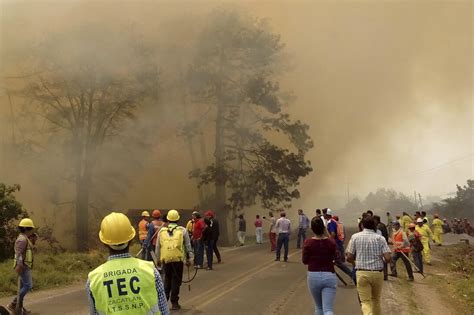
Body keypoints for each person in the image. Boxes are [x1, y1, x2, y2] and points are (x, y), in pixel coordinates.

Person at [86, 212, 169, 315]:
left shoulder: (93, 279)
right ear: (130, 240)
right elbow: (164, 310)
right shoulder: (151, 271)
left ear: (104, 243)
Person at [346, 216, 391, 315]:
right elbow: (388, 258)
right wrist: (381, 259)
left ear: (362, 225)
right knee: (376, 300)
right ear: (375, 226)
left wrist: (355, 263)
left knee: (365, 302)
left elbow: (349, 257)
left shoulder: (355, 237)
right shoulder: (380, 238)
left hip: (362, 272)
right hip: (377, 273)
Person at [155, 209, 193, 310]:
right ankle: (175, 303)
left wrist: (158, 259)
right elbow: (188, 246)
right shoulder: (182, 230)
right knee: (176, 280)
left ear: (167, 219)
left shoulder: (162, 231)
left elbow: (158, 247)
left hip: (166, 260)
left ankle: (163, 302)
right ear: (178, 219)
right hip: (178, 260)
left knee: (167, 279)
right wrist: (189, 258)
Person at [303, 216, 337, 315]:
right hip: (329, 275)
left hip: (313, 275)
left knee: (319, 307)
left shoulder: (308, 243)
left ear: (312, 229)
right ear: (324, 228)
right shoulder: (331, 242)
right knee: (328, 309)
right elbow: (337, 257)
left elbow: (305, 261)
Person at [7, 218, 36, 314]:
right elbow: (19, 253)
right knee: (28, 285)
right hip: (23, 266)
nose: (32, 231)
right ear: (26, 229)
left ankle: (19, 309)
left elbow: (27, 251)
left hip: (25, 265)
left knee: (23, 287)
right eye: (31, 229)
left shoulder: (25, 238)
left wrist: (33, 240)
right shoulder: (22, 239)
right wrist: (19, 265)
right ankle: (13, 304)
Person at [326, 211, 352, 278]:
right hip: (339, 242)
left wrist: (329, 242)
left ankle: (352, 275)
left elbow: (333, 234)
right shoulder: (340, 224)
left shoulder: (331, 223)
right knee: (338, 261)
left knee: (337, 262)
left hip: (335, 244)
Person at [374, 215, 389, 280]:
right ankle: (385, 275)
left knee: (382, 260)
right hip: (384, 243)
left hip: (380, 244)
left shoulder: (378, 226)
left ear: (376, 220)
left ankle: (383, 275)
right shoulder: (383, 225)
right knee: (384, 260)